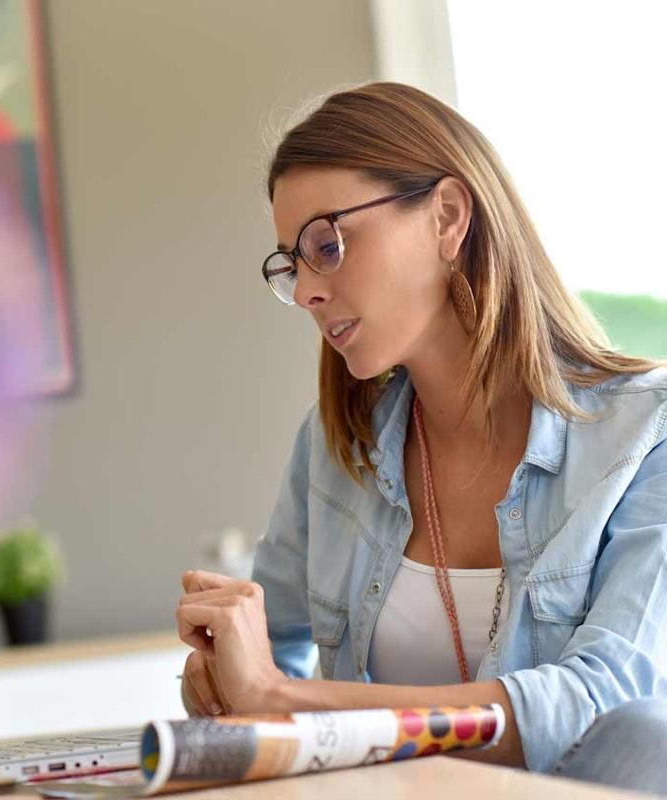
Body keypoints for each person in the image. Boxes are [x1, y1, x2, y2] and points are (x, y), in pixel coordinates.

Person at [175, 82, 667, 794]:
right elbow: (267, 663)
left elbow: (604, 707)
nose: (307, 290)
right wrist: (222, 684)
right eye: (292, 263)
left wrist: (286, 703)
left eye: (328, 244)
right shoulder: (333, 448)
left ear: (447, 216)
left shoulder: (645, 438)